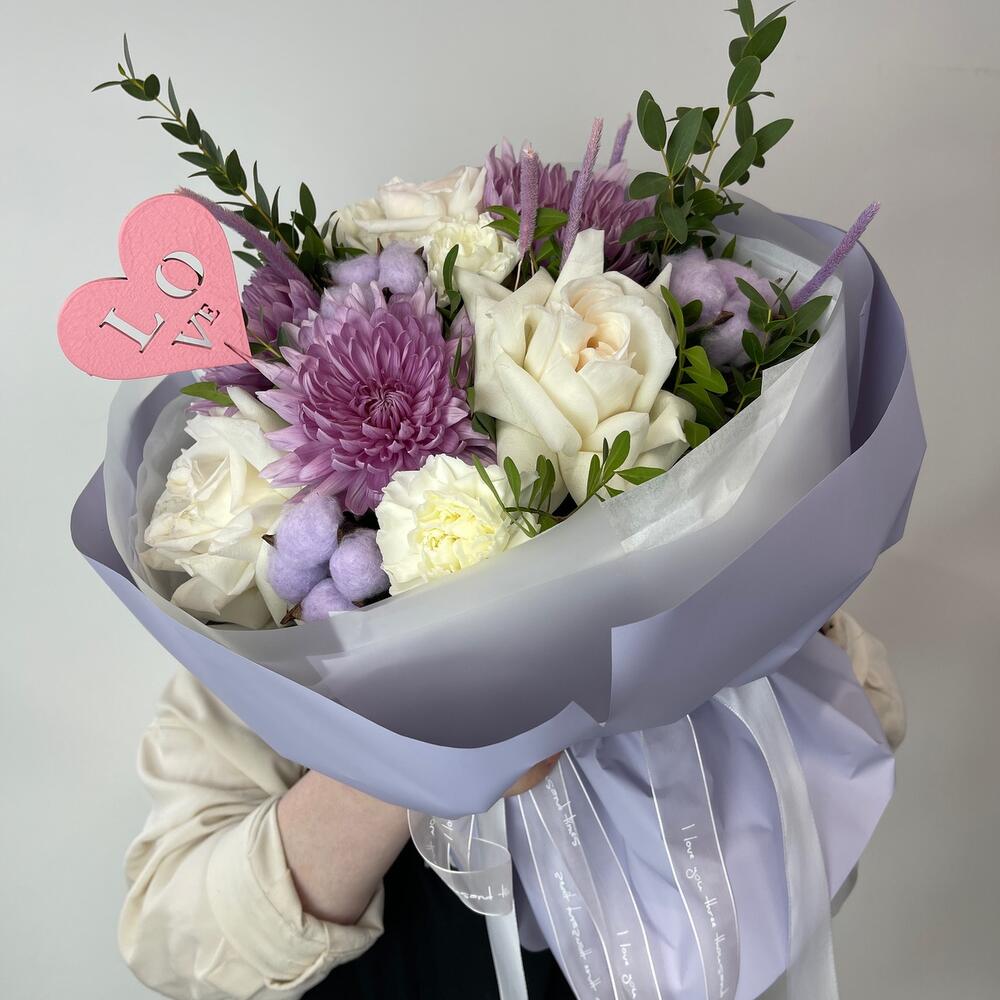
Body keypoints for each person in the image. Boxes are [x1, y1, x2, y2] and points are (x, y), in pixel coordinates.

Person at [118, 611, 904, 999]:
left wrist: (739, 619)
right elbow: (177, 939)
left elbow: (853, 748)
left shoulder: (683, 545)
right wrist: (401, 757)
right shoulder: (257, 630)